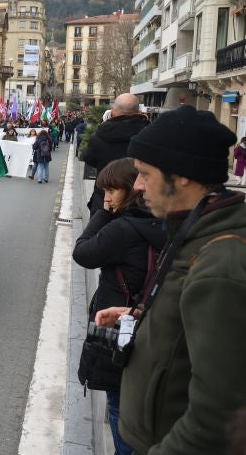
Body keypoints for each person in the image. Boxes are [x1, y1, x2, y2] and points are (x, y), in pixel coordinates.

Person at [94, 105, 245, 455]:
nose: (138, 185)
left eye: (145, 173)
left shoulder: (222, 264)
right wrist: (142, 319)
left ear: (184, 176)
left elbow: (217, 417)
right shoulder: (196, 229)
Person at [72, 158, 164, 455]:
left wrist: (102, 214)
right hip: (152, 324)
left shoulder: (123, 229)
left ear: (132, 189)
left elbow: (83, 252)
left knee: (118, 406)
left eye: (112, 190)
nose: (107, 197)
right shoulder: (161, 222)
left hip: (119, 331)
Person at [82, 94, 149, 214]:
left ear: (113, 111)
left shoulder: (99, 135)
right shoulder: (149, 133)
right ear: (138, 111)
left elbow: (89, 159)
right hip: (138, 200)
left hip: (105, 198)